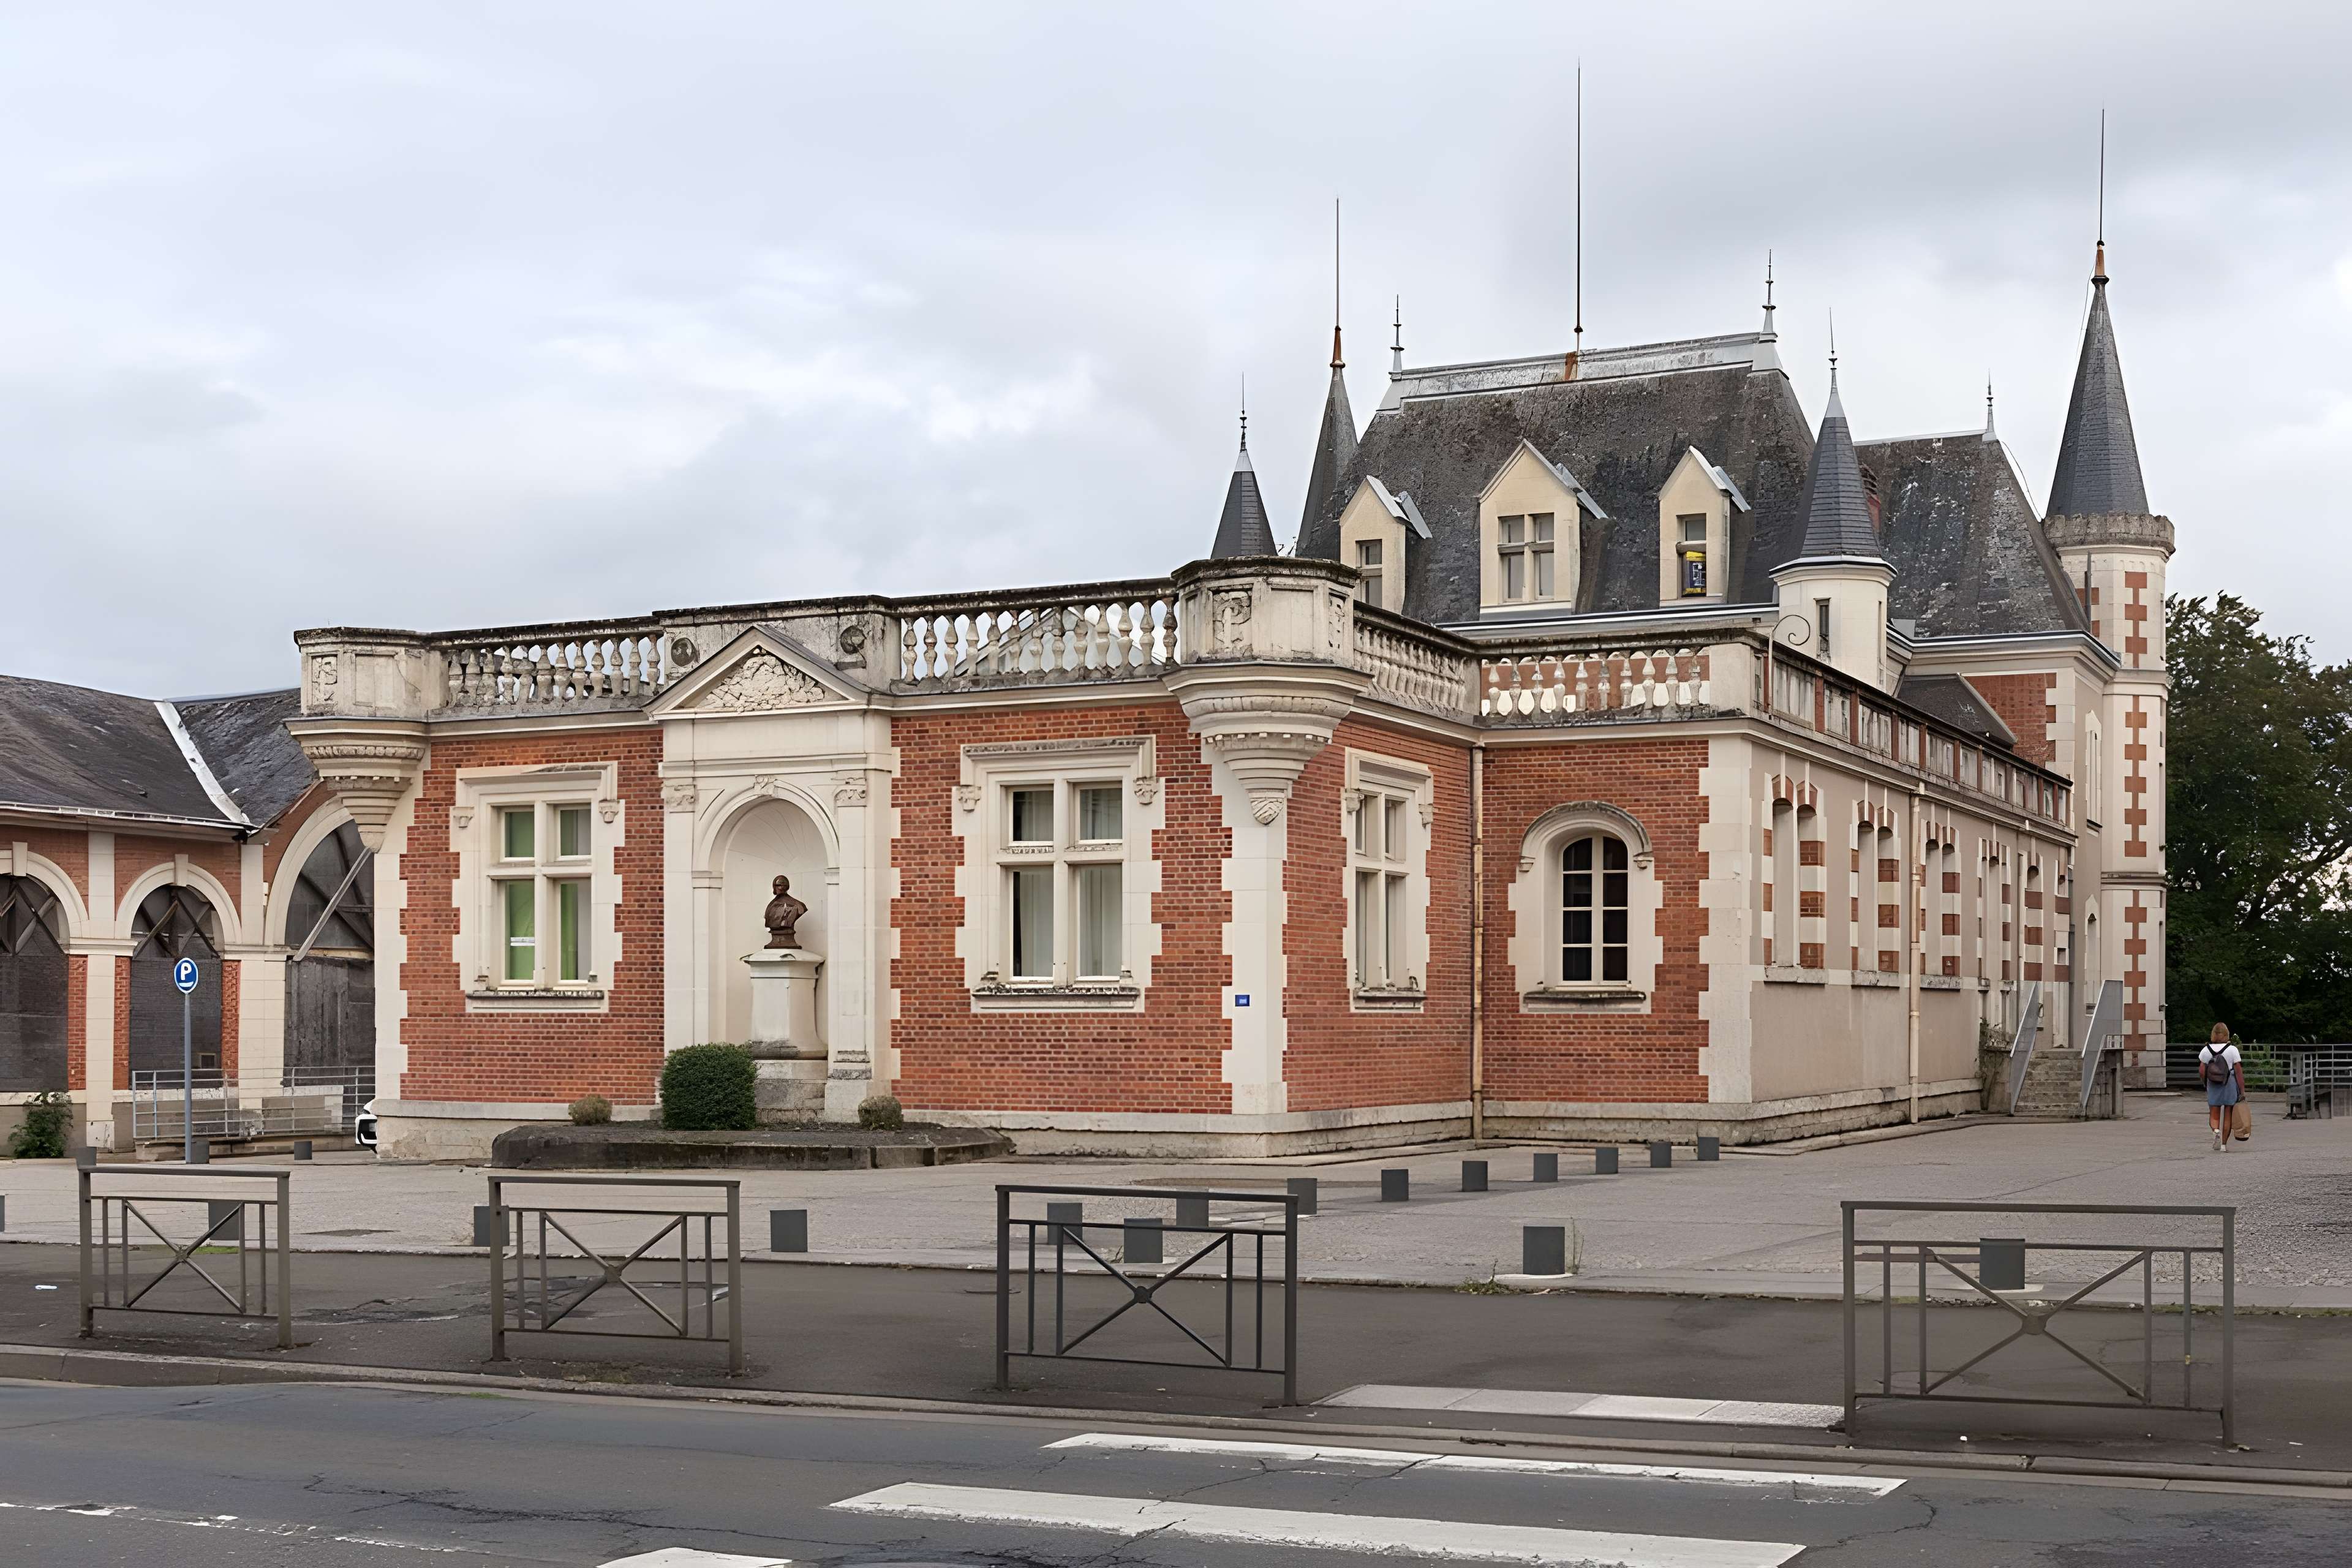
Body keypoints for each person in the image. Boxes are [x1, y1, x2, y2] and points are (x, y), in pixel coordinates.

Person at [2199, 1023, 2244, 1153]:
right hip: (2228, 1082)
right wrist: (2242, 1090)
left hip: (2213, 1083)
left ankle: (2215, 1131)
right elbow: (2239, 1071)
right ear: (2226, 1034)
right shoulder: (2232, 1050)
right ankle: (2224, 1145)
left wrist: (2205, 1082)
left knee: (2215, 1111)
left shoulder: (2206, 1050)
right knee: (2228, 1112)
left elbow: (2202, 1070)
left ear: (2213, 1034)